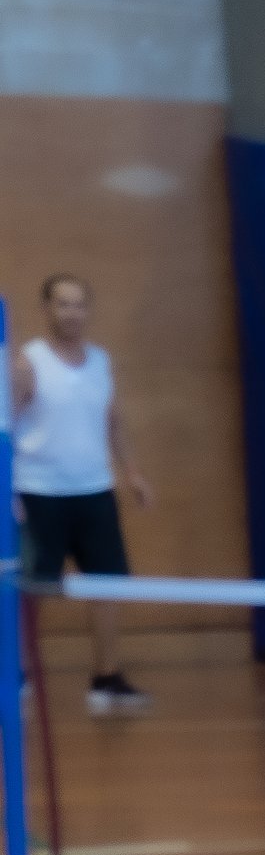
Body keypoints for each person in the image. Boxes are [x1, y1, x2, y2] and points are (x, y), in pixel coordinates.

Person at [11, 273, 154, 714]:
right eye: (63, 304)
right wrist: (6, 492)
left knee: (106, 585)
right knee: (32, 590)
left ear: (88, 311)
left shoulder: (100, 362)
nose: (72, 313)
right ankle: (15, 677)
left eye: (79, 305)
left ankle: (106, 678)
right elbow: (5, 428)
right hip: (39, 493)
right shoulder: (27, 364)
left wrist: (132, 473)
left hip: (94, 491)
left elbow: (112, 420)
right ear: (47, 309)